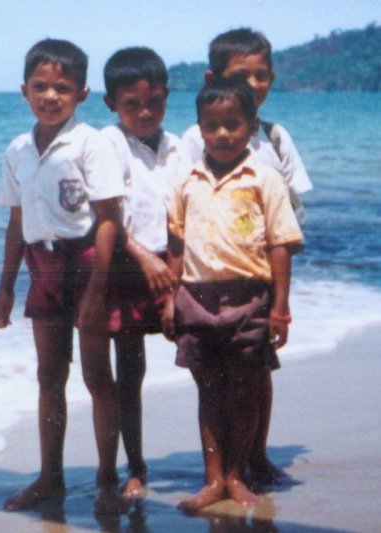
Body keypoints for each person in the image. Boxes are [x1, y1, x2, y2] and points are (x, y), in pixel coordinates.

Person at [0, 38, 124, 512]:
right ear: (24, 90)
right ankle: (51, 478)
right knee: (50, 376)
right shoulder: (17, 150)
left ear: (82, 93)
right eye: (41, 86)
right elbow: (15, 221)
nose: (51, 96)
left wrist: (97, 289)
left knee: (96, 376)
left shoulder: (91, 143)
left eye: (62, 88)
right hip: (41, 269)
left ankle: (108, 479)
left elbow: (109, 218)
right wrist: (6, 286)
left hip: (87, 265)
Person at [162, 77, 303, 513]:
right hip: (196, 299)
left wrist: (279, 308)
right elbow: (176, 245)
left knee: (243, 391)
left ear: (251, 125)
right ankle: (213, 480)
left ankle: (238, 475)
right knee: (208, 392)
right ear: (199, 129)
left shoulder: (265, 180)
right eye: (212, 125)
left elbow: (281, 244)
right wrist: (170, 300)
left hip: (250, 300)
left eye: (233, 124)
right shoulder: (187, 181)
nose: (223, 134)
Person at [181, 27, 312, 484]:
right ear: (212, 77)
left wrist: (281, 299)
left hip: (259, 280)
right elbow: (181, 210)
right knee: (213, 379)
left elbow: (290, 220)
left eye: (262, 76)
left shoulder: (275, 139)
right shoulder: (194, 141)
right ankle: (225, 467)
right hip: (205, 282)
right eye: (242, 75)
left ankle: (254, 457)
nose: (254, 85)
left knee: (257, 374)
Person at [99, 47, 182, 498]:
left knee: (209, 364)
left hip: (179, 268)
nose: (145, 112)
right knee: (129, 375)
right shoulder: (106, 143)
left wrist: (172, 278)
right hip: (127, 269)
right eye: (132, 104)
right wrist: (144, 258)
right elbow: (106, 213)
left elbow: (185, 217)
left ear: (167, 96)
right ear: (112, 104)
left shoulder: (180, 146)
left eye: (155, 102)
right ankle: (135, 467)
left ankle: (227, 464)